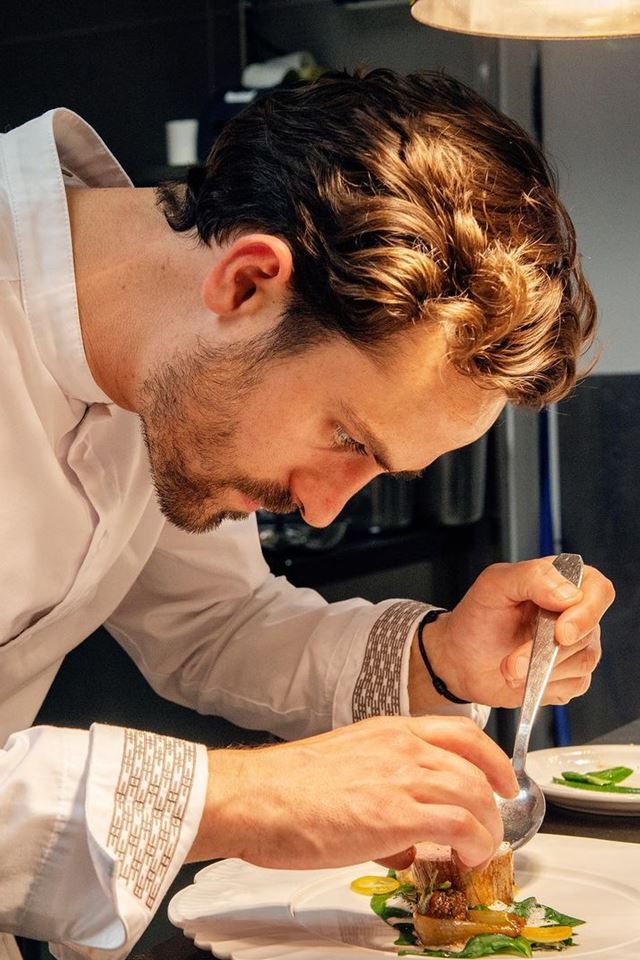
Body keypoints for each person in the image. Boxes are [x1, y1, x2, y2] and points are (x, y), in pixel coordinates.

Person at [0, 68, 613, 960]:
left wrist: (439, 656)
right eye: (346, 436)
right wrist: (241, 800)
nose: (325, 510)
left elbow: (214, 623)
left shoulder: (172, 363)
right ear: (249, 283)